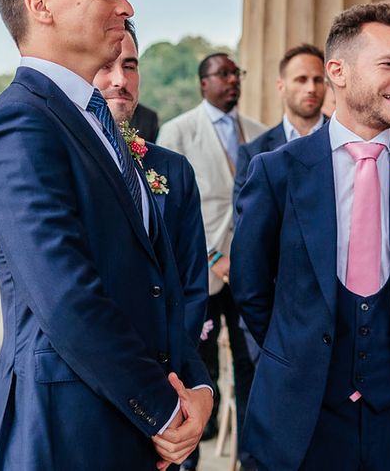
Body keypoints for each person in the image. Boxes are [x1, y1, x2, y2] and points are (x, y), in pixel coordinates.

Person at [0, 0, 212, 470]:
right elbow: (66, 298)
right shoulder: (19, 125)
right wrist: (165, 412)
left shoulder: (97, 121)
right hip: (64, 434)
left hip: (136, 432)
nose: (125, 6)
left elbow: (158, 281)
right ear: (41, 6)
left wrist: (198, 387)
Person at [231, 0, 390, 470]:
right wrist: (297, 352)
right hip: (300, 421)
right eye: (389, 64)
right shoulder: (277, 172)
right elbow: (251, 288)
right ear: (337, 71)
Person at [158, 53, 266, 471]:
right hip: (199, 273)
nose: (231, 80)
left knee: (249, 366)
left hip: (248, 275)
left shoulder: (257, 133)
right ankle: (189, 458)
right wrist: (215, 257)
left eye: (236, 73)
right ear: (203, 83)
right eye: (222, 74)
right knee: (198, 368)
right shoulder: (179, 131)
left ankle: (250, 457)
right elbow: (169, 210)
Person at [93, 19, 208, 343]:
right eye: (106, 65)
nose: (120, 80)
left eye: (129, 66)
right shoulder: (62, 163)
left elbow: (192, 283)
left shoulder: (174, 169)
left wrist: (175, 367)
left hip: (167, 368)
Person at [233, 43, 326, 204]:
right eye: (301, 79)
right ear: (281, 86)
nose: (311, 88)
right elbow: (247, 222)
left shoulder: (348, 140)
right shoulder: (253, 153)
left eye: (318, 80)